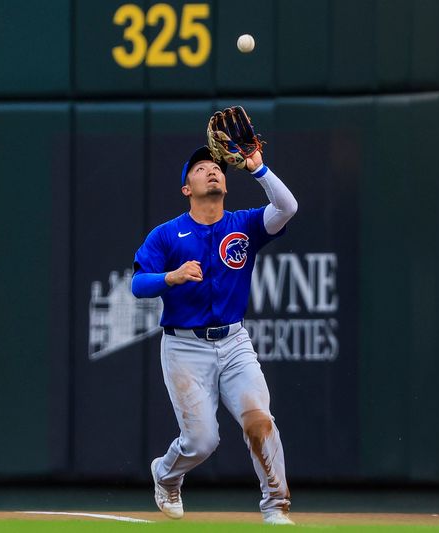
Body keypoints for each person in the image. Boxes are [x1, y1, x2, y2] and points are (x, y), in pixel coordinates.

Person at [132, 145, 298, 525]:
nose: (212, 171)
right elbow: (138, 284)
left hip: (234, 342)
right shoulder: (167, 235)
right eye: (201, 168)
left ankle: (276, 507)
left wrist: (258, 168)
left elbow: (287, 208)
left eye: (218, 168)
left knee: (259, 422)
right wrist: (170, 277)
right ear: (186, 189)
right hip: (184, 347)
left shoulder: (244, 224)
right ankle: (167, 474)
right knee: (202, 442)